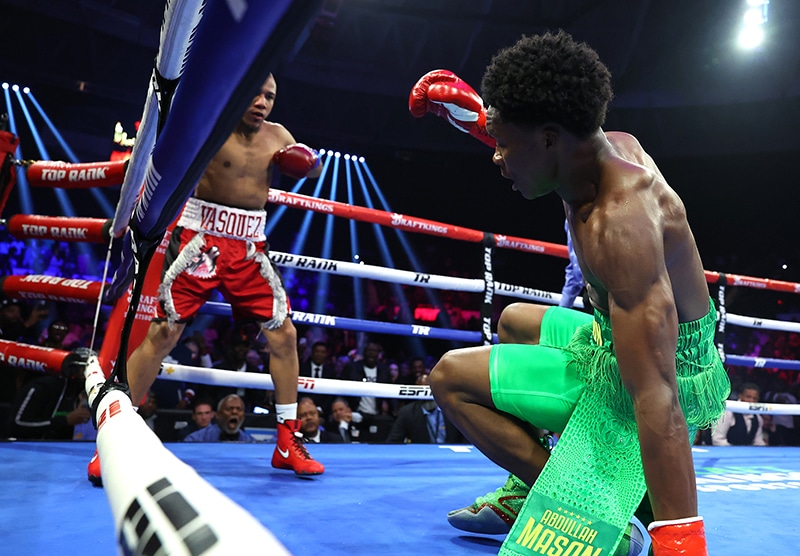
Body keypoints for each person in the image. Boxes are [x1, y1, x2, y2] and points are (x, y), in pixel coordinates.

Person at [414, 31, 729, 554]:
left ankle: (586, 507)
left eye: (502, 144)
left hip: (661, 370)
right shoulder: (596, 148)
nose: (496, 158)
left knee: (448, 377)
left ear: (547, 140)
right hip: (626, 337)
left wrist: (683, 544)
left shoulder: (619, 226)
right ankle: (535, 486)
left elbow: (656, 396)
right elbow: (539, 135)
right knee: (515, 319)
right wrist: (473, 112)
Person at [95, 74, 324, 478]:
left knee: (284, 335)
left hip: (250, 244)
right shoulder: (209, 122)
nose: (262, 102)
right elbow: (164, 151)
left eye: (269, 96)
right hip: (199, 238)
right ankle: (114, 437)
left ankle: (288, 442)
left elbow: (310, 169)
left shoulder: (278, 135)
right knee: (164, 333)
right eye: (255, 93)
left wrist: (308, 165)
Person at [385, 374, 465, 444]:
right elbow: (393, 442)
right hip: (423, 456)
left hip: (451, 456)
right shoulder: (408, 413)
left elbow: (467, 437)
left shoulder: (452, 409)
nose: (426, 394)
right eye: (422, 389)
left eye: (428, 388)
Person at [711, 382, 767, 446]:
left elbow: (758, 442)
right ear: (740, 396)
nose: (751, 400)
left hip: (744, 454)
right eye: (748, 397)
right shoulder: (727, 412)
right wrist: (736, 453)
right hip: (715, 452)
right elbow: (718, 440)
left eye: (755, 398)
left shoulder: (758, 418)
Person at [184, 394, 255, 442]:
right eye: (229, 409)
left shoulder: (252, 443)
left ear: (243, 416)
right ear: (218, 415)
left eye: (239, 409)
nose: (234, 412)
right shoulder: (194, 440)